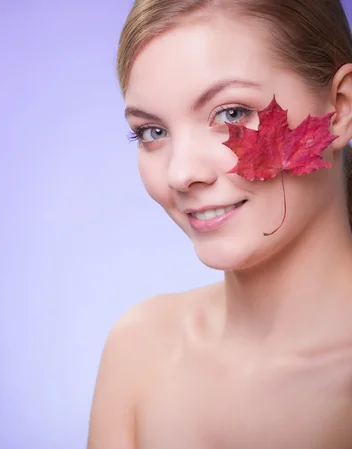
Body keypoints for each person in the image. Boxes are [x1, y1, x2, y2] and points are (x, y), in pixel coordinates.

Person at [87, 1, 352, 448]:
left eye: (231, 113)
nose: (181, 173)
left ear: (341, 108)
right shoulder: (139, 351)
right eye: (152, 132)